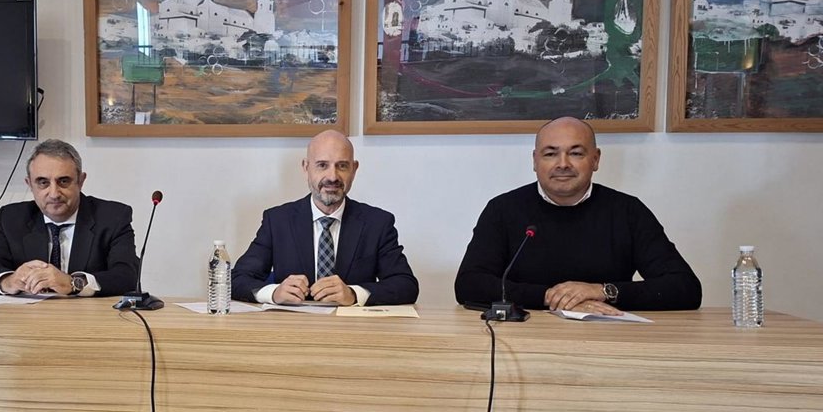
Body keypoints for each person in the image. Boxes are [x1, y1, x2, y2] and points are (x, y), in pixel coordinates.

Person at [454, 116, 701, 313]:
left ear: (595, 159)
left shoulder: (627, 211)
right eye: (550, 154)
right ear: (535, 161)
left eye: (576, 153)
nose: (563, 164)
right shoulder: (503, 209)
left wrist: (602, 291)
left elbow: (685, 288)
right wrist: (551, 297)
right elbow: (469, 284)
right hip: (525, 336)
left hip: (609, 338)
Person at [231, 129, 418, 306]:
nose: (332, 177)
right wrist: (274, 293)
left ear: (354, 169)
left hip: (354, 327)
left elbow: (406, 285)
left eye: (342, 166)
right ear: (306, 168)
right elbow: (237, 279)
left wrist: (353, 294)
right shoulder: (277, 221)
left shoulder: (377, 223)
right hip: (292, 326)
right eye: (322, 165)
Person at [0, 139, 139, 297]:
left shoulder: (113, 217)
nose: (54, 194)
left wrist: (73, 283)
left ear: (80, 181)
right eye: (43, 182)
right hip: (29, 316)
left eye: (63, 181)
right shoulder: (14, 218)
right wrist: (9, 281)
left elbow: (127, 276)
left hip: (90, 316)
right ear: (29, 184)